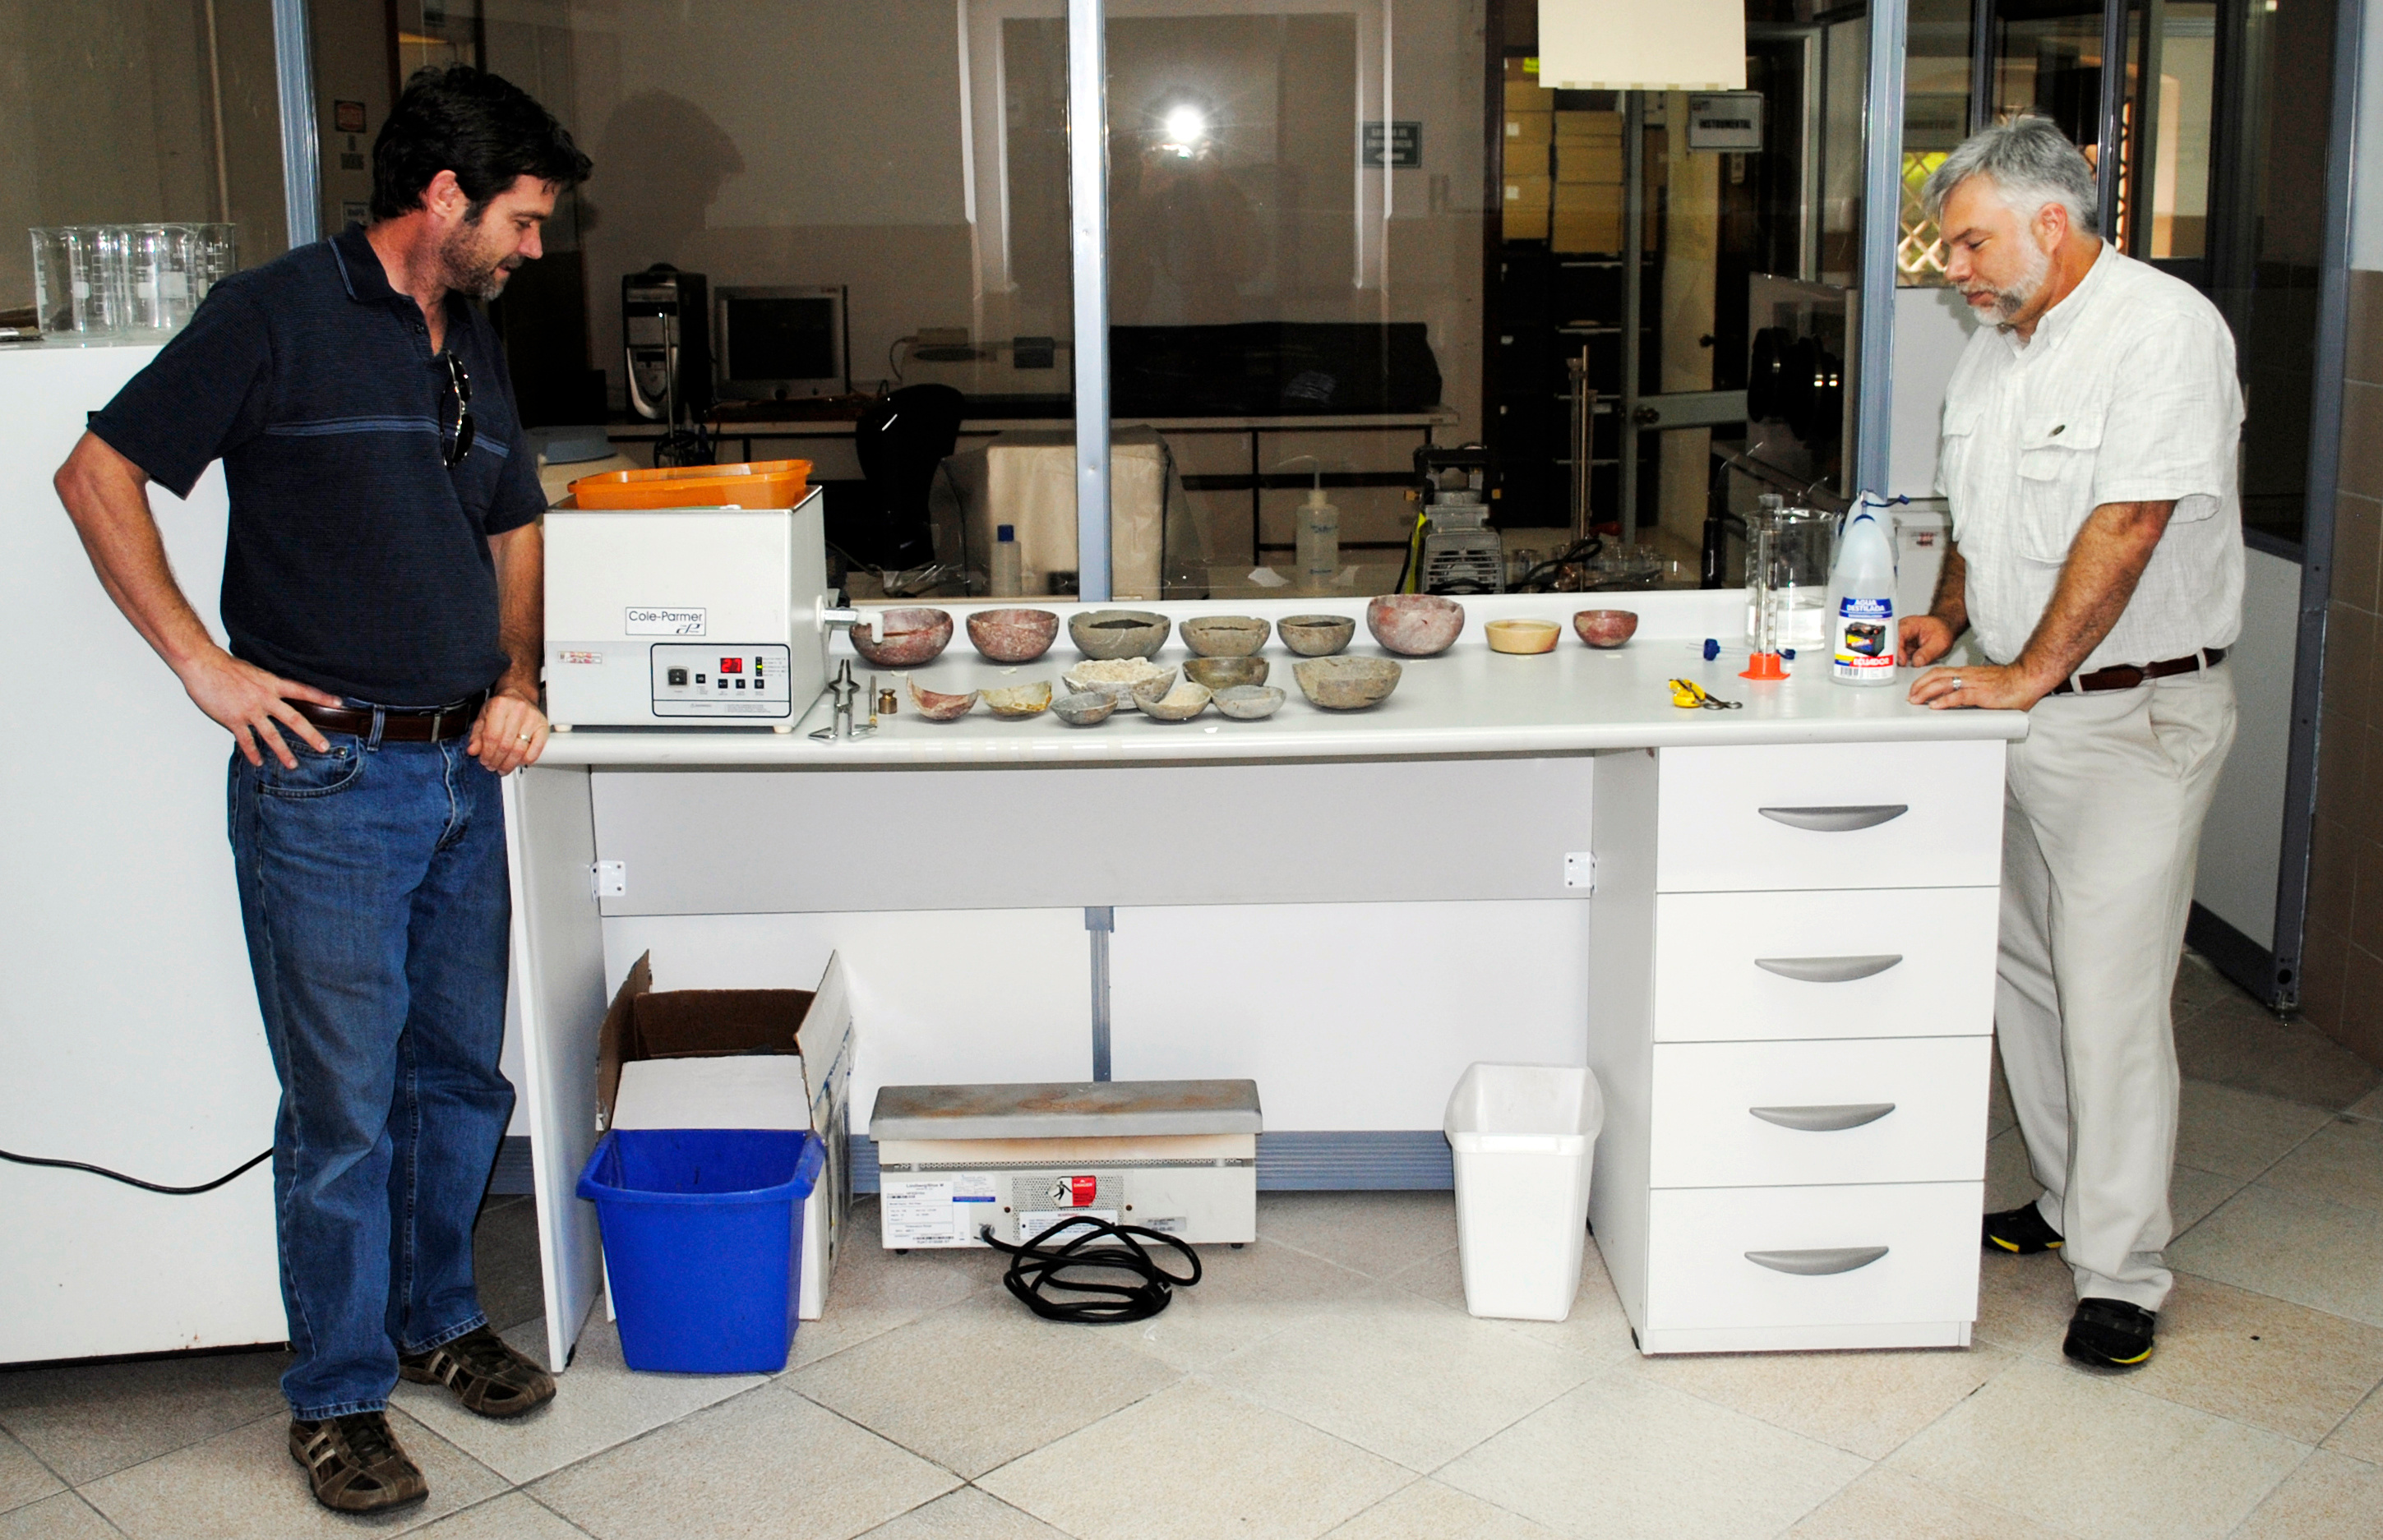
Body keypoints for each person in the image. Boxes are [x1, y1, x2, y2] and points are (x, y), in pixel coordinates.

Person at [52, 67, 589, 1511]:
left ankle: (436, 1320)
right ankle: (339, 1395)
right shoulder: (273, 315)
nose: (535, 248)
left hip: (465, 768)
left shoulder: (470, 332)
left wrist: (520, 677)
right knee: (343, 1108)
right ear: (444, 196)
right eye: (523, 219)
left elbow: (514, 523)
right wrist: (204, 666)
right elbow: (96, 475)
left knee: (457, 1076)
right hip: (328, 778)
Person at [1904, 115, 2242, 1370]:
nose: (1957, 271)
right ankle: (2061, 1198)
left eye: (1972, 244)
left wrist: (2030, 673)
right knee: (2029, 968)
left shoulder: (2161, 332)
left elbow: (2129, 521)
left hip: (2127, 719)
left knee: (2111, 996)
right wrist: (1949, 621)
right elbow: (1977, 516)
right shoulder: (2001, 350)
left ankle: (2122, 1270)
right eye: (1950, 249)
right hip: (2015, 711)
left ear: (2053, 221)